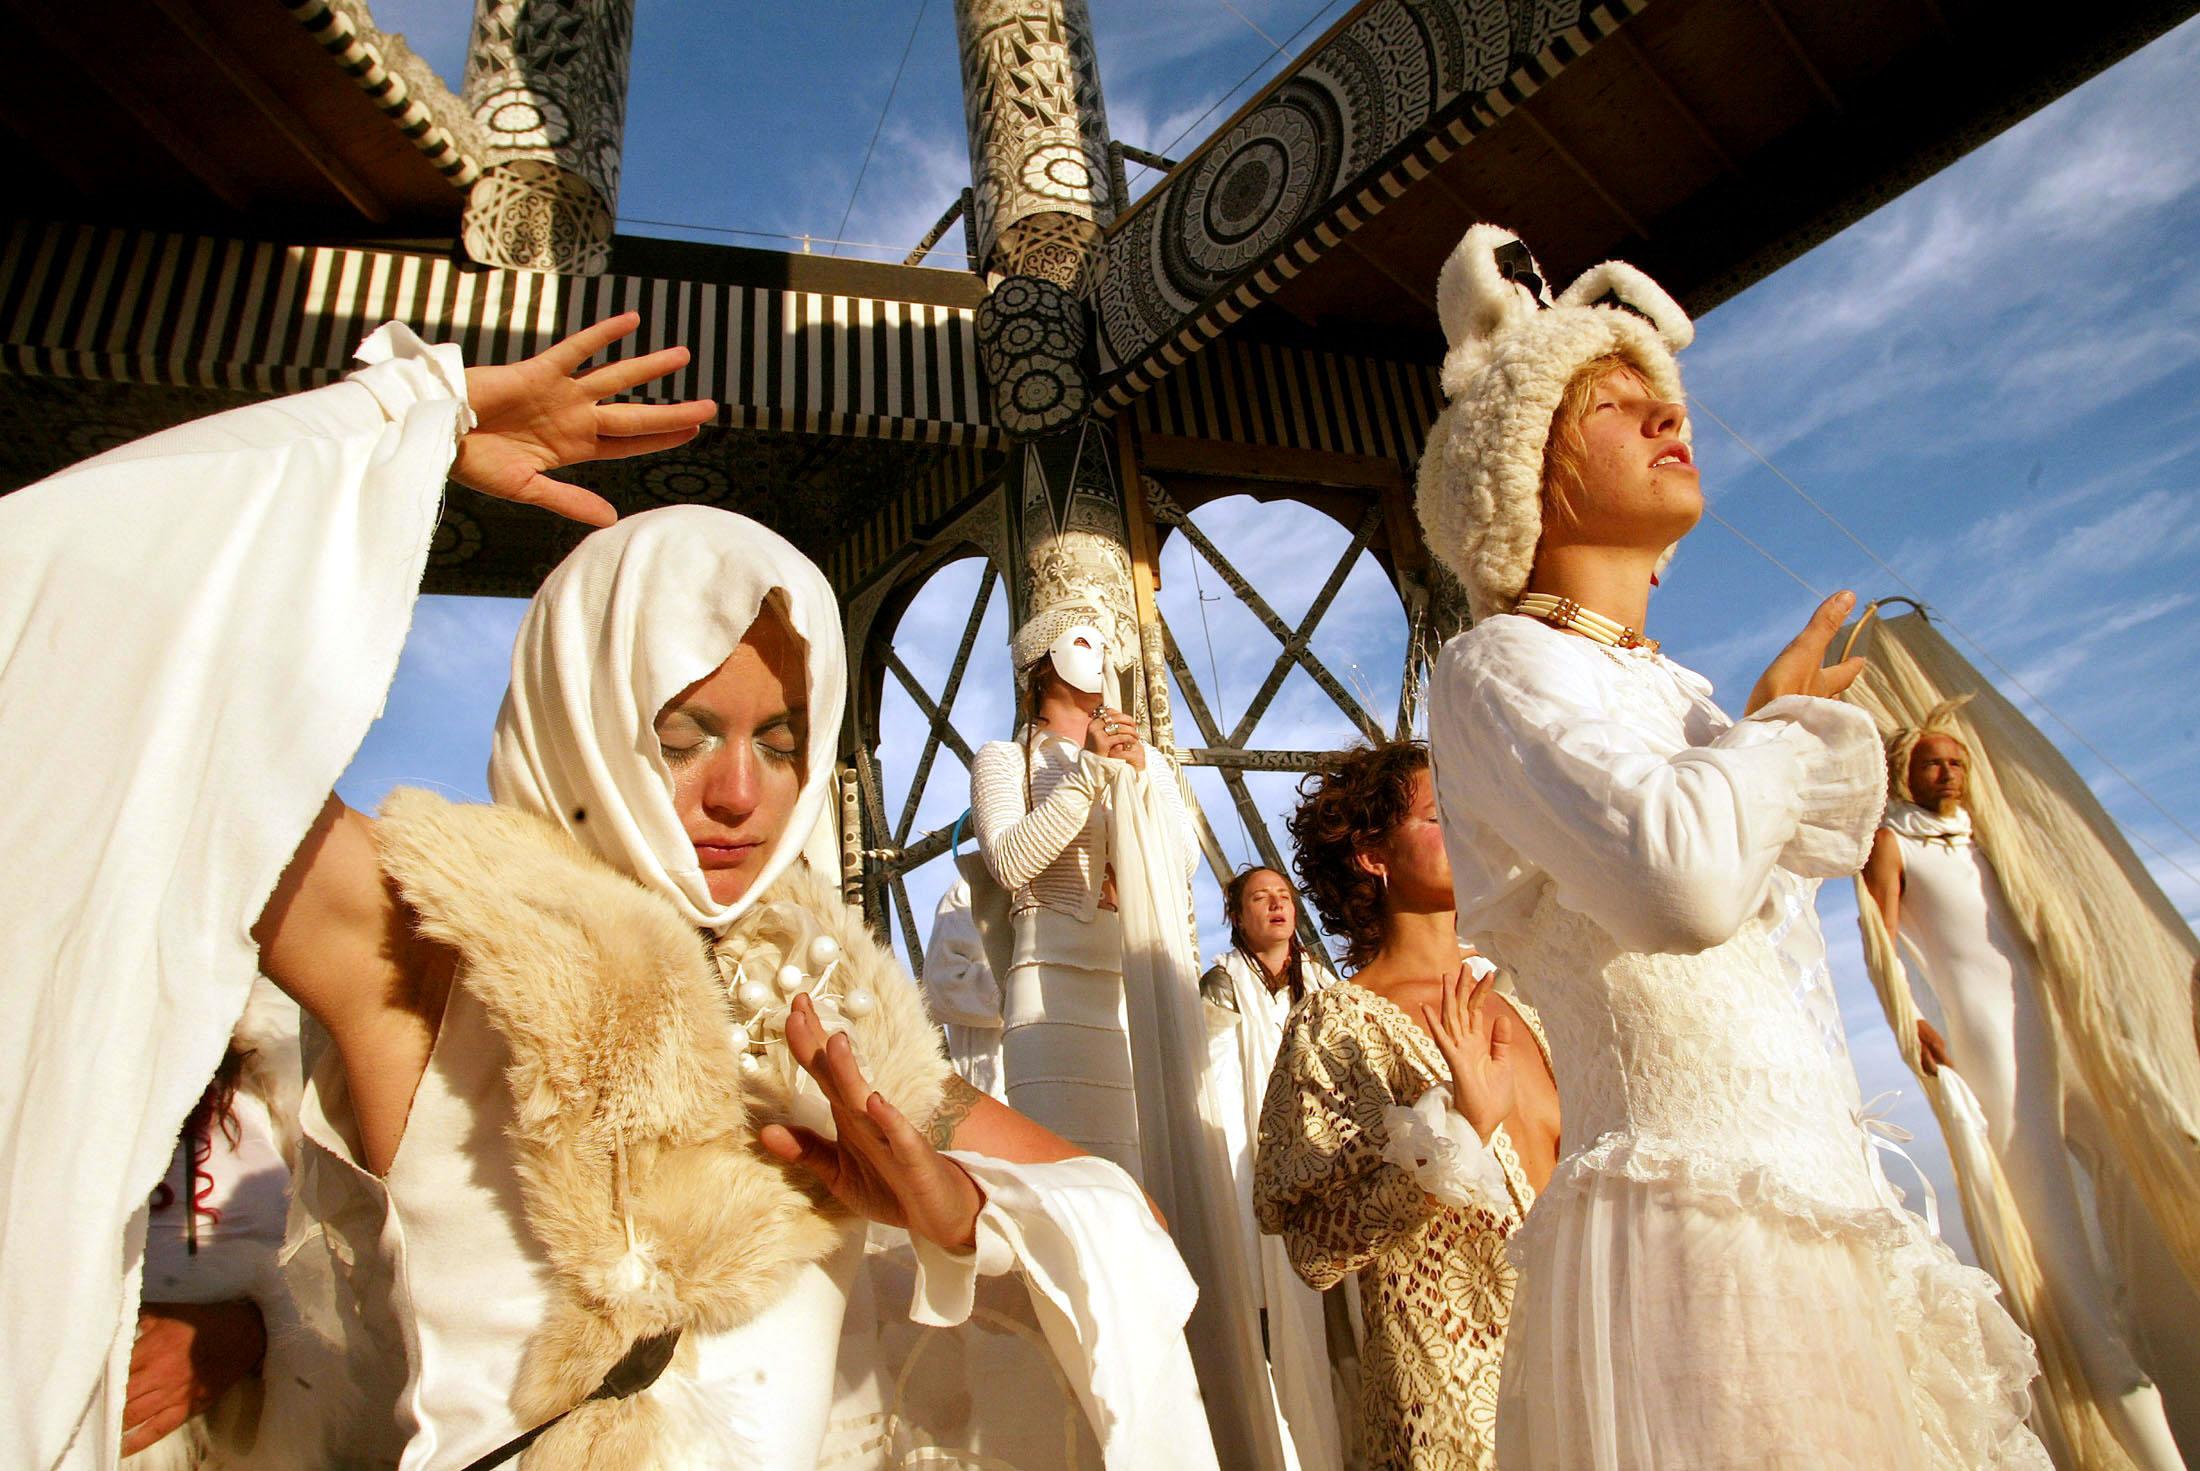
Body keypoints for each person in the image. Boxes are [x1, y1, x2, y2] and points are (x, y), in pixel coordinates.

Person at [0, 315, 1217, 1471]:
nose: (743, 792)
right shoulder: (435, 944)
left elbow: (1133, 1235)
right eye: (682, 734)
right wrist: (408, 421)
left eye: (784, 741)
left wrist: (958, 1213)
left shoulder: (832, 1027)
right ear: (578, 719)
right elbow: (84, 657)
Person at [1414, 224, 2048, 1469]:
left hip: (1818, 1213)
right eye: (1615, 404)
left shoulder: (1685, 695)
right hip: (1692, 1235)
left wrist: (1751, 733)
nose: (1665, 419)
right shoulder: (1496, 667)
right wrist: (1778, 738)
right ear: (1522, 470)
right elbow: (1679, 879)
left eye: (1667, 400)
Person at [1862, 700, 2189, 1469]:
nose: (1948, 772)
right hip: (1987, 1039)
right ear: (1907, 771)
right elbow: (1877, 935)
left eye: (1958, 761)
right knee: (2054, 1232)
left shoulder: (1993, 838)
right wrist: (1909, 1019)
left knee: (2136, 1182)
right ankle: (2136, 1429)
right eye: (1933, 761)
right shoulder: (1891, 839)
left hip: (2058, 1023)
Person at [1255, 742, 1559, 1471]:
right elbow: (1314, 1246)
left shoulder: (1528, 1008)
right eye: (1436, 814)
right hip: (1451, 1400)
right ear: (1372, 853)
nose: (1464, 828)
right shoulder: (1339, 1024)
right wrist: (1460, 1132)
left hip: (1579, 1367)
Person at [968, 603, 1191, 1177]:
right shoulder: (1005, 759)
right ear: (1044, 663)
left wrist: (1141, 779)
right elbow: (1011, 862)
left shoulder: (1150, 761)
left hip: (1133, 975)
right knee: (1068, 1176)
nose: (1105, 658)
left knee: (1152, 1168)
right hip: (1049, 979)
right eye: (1085, 642)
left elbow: (1182, 862)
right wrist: (1088, 773)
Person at [1201, 866, 1346, 1470]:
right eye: (1261, 898)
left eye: (1284, 896)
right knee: (1280, 1317)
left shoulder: (1321, 981)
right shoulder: (1221, 984)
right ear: (1237, 915)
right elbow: (1211, 1080)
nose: (1277, 906)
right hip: (1257, 1159)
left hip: (1332, 1156)